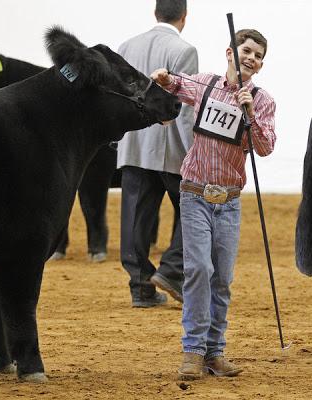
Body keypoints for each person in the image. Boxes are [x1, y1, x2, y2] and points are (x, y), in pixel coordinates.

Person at [151, 28, 276, 378]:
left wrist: (249, 114)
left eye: (258, 55)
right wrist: (164, 77)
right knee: (199, 271)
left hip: (230, 199)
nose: (251, 57)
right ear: (229, 52)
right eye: (246, 50)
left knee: (221, 278)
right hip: (194, 193)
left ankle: (214, 352)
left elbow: (265, 148)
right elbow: (179, 84)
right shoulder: (206, 84)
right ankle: (192, 350)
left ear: (261, 66)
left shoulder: (263, 100)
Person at [117, 0, 198, 308]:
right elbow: (185, 107)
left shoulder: (126, 46)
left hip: (134, 144)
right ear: (184, 17)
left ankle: (140, 287)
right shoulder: (184, 51)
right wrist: (191, 151)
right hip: (170, 149)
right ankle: (171, 271)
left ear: (155, 13)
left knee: (135, 218)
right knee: (191, 211)